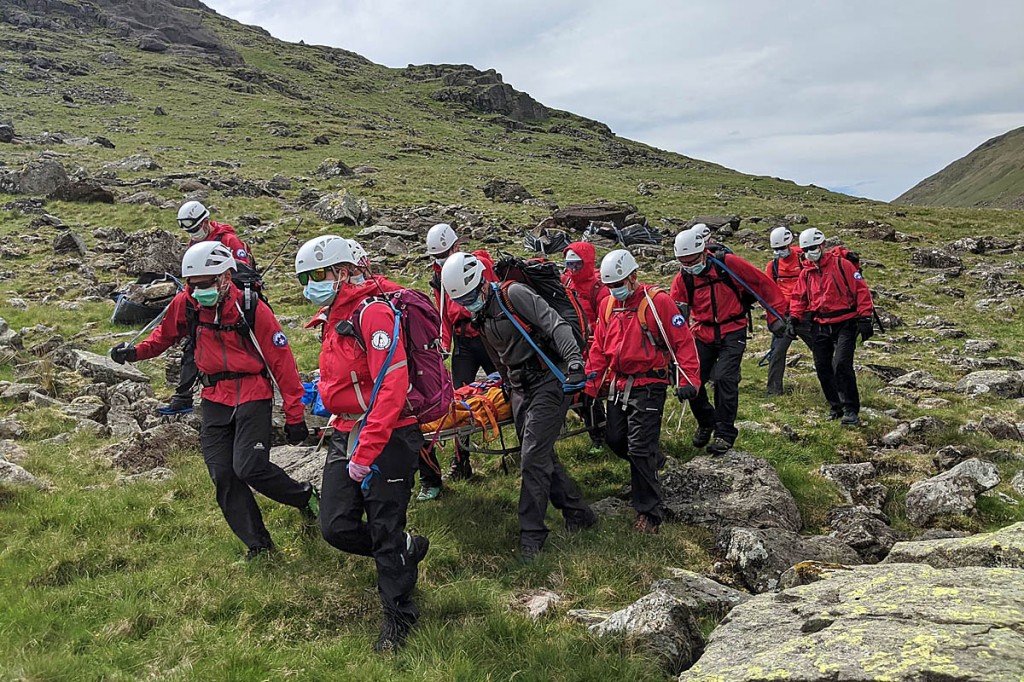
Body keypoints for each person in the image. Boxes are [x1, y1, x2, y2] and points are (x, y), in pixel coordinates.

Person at [109, 241, 316, 561]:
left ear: (226, 277)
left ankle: (304, 498)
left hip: (253, 394)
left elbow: (282, 362)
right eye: (193, 285)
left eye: (205, 284)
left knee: (250, 467)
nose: (198, 291)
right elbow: (162, 337)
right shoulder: (186, 302)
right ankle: (259, 547)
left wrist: (295, 414)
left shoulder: (251, 307)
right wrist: (133, 352)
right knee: (223, 475)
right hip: (214, 398)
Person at [296, 235, 430, 653]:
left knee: (386, 527)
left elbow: (392, 385)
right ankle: (405, 552)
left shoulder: (372, 314)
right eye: (305, 277)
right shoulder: (334, 317)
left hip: (387, 435)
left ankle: (398, 617)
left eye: (318, 275)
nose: (310, 284)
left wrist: (367, 450)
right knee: (335, 525)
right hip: (345, 432)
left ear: (343, 271)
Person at [441, 252, 596, 562]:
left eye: (471, 296)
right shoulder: (480, 314)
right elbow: (500, 357)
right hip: (520, 387)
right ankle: (579, 514)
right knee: (539, 455)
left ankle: (531, 536)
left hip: (550, 379)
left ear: (481, 283)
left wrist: (576, 362)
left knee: (532, 457)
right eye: (462, 300)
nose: (468, 303)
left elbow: (556, 325)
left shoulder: (514, 294)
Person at [586, 250, 701, 533]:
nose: (615, 290)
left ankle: (649, 512)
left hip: (649, 384)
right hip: (619, 384)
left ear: (633, 276)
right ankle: (652, 462)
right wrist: (589, 385)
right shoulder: (608, 305)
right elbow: (599, 348)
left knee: (637, 449)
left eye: (619, 283)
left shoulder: (657, 302)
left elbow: (683, 341)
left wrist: (689, 380)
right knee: (614, 440)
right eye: (610, 285)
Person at [670, 228, 787, 455]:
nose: (689, 266)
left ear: (704, 252)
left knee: (725, 378)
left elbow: (762, 284)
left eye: (692, 261)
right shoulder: (683, 278)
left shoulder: (729, 265)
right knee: (689, 379)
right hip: (702, 332)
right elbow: (676, 316)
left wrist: (776, 317)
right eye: (683, 263)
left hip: (733, 330)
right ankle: (706, 420)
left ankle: (724, 433)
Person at [158, 201, 257, 416]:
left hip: (232, 306)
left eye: (195, 228)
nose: (194, 234)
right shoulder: (193, 244)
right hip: (203, 305)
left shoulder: (230, 241)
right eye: (189, 230)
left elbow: (245, 274)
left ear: (205, 221)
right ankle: (184, 396)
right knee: (192, 346)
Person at [424, 223, 496, 486]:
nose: (441, 260)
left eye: (444, 253)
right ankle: (461, 460)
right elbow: (443, 312)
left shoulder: (477, 265)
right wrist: (443, 344)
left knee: (511, 388)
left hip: (487, 337)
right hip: (462, 342)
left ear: (456, 247)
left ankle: (529, 446)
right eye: (437, 256)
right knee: (457, 401)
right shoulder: (438, 275)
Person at [787, 228, 874, 426]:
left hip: (845, 322)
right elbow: (799, 297)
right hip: (819, 323)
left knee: (842, 364)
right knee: (822, 368)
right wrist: (793, 319)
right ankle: (836, 406)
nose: (810, 252)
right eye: (806, 249)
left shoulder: (842, 265)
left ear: (822, 245)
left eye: (813, 248)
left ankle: (851, 409)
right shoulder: (806, 272)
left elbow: (861, 291)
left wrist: (865, 318)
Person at [562, 241, 609, 452]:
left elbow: (607, 323)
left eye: (577, 265)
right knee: (574, 392)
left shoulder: (599, 290)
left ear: (587, 263)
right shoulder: (567, 285)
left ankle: (600, 436)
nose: (572, 270)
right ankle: (601, 430)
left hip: (595, 348)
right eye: (568, 265)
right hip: (573, 347)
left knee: (588, 392)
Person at [763, 226, 811, 396]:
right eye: (776, 249)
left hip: (806, 314)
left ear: (790, 243)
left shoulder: (804, 259)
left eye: (782, 248)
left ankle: (836, 387)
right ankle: (773, 392)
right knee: (777, 353)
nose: (779, 252)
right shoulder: (773, 266)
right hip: (784, 316)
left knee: (822, 351)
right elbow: (768, 293)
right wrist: (774, 319)